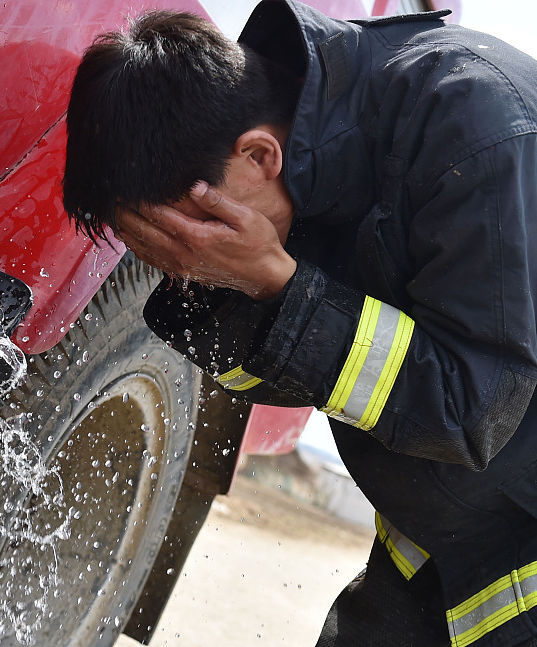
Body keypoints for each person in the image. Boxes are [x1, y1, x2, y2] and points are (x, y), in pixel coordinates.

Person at [61, 1, 537, 646]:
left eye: (197, 236)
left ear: (260, 155)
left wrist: (275, 284)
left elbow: (469, 408)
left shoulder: (477, 127)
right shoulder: (307, 164)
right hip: (441, 541)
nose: (192, 269)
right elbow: (300, 375)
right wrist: (243, 291)